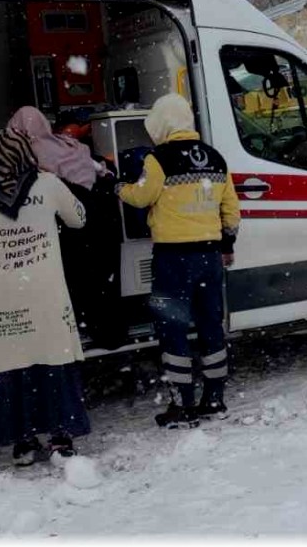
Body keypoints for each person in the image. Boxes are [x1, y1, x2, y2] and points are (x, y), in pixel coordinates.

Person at [117, 94, 241, 429]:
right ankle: (214, 399)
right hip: (210, 257)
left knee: (172, 329)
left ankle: (183, 403)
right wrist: (226, 243)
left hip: (172, 259)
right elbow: (231, 211)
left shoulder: (159, 160)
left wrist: (117, 187)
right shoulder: (216, 159)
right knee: (210, 325)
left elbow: (141, 196)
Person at [0, 128, 90, 465]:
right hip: (40, 286)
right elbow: (79, 219)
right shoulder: (48, 184)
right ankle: (59, 436)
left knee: (11, 363)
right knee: (51, 359)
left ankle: (22, 442)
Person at [7, 106, 125, 350]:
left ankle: (71, 329)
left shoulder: (25, 153)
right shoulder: (75, 147)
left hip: (61, 223)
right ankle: (106, 332)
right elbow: (101, 171)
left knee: (68, 276)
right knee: (97, 278)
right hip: (92, 217)